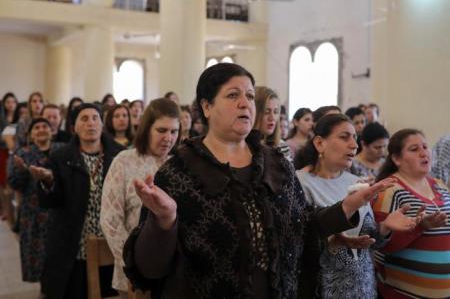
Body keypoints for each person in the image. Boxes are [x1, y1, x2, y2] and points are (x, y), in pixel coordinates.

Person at [122, 63, 394, 299]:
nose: (245, 103)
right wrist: (165, 220)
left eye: (250, 96)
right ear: (206, 106)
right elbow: (150, 268)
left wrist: (346, 207)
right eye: (232, 95)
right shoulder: (178, 172)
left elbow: (303, 227)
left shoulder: (276, 165)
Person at [295, 114, 416, 299]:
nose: (354, 145)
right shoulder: (300, 183)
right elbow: (296, 243)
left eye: (355, 138)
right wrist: (334, 239)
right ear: (320, 143)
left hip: (364, 289)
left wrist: (385, 227)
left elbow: (370, 242)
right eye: (344, 137)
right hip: (322, 289)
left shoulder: (355, 182)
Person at [31, 103, 123, 299]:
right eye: (84, 119)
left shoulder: (119, 155)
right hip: (73, 243)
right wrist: (48, 182)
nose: (90, 123)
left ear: (102, 124)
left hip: (110, 242)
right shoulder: (61, 157)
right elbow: (50, 202)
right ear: (74, 127)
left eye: (95, 118)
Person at [101, 98, 180, 297]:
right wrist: (134, 265)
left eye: (174, 131)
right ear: (146, 128)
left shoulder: (180, 164)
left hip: (175, 273)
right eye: (161, 130)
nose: (168, 138)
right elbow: (110, 220)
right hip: (132, 273)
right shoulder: (124, 161)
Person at [373, 129, 450, 298]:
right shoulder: (389, 190)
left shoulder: (441, 186)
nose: (424, 153)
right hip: (403, 293)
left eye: (425, 146)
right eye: (414, 149)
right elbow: (379, 245)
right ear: (396, 158)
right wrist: (421, 226)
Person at [7, 118, 63, 292]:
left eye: (44, 126)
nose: (41, 130)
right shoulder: (22, 153)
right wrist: (22, 171)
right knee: (39, 258)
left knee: (60, 255)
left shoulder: (61, 150)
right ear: (30, 134)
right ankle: (45, 291)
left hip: (59, 211)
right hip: (33, 213)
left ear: (51, 130)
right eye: (36, 127)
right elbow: (15, 184)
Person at [253, 86, 291, 160]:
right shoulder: (243, 147)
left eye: (276, 112)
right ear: (254, 112)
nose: (272, 118)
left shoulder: (282, 146)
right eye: (266, 112)